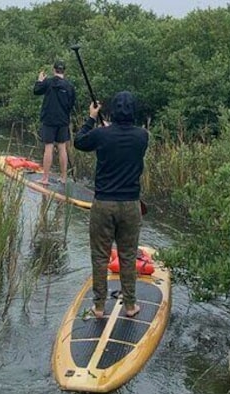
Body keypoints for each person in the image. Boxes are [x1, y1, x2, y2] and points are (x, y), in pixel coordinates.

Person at [73, 91, 149, 319]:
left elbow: (79, 142)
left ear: (113, 111)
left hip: (103, 204)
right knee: (127, 256)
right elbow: (121, 139)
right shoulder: (142, 136)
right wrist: (106, 130)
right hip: (130, 205)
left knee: (100, 256)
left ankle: (98, 307)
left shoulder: (101, 135)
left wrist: (91, 118)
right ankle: (130, 306)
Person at [33, 60, 76, 185]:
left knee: (49, 147)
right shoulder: (69, 86)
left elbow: (36, 91)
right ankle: (63, 177)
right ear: (64, 71)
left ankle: (45, 178)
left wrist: (39, 80)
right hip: (63, 121)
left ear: (54, 70)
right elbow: (72, 104)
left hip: (49, 120)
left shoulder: (48, 82)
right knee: (62, 147)